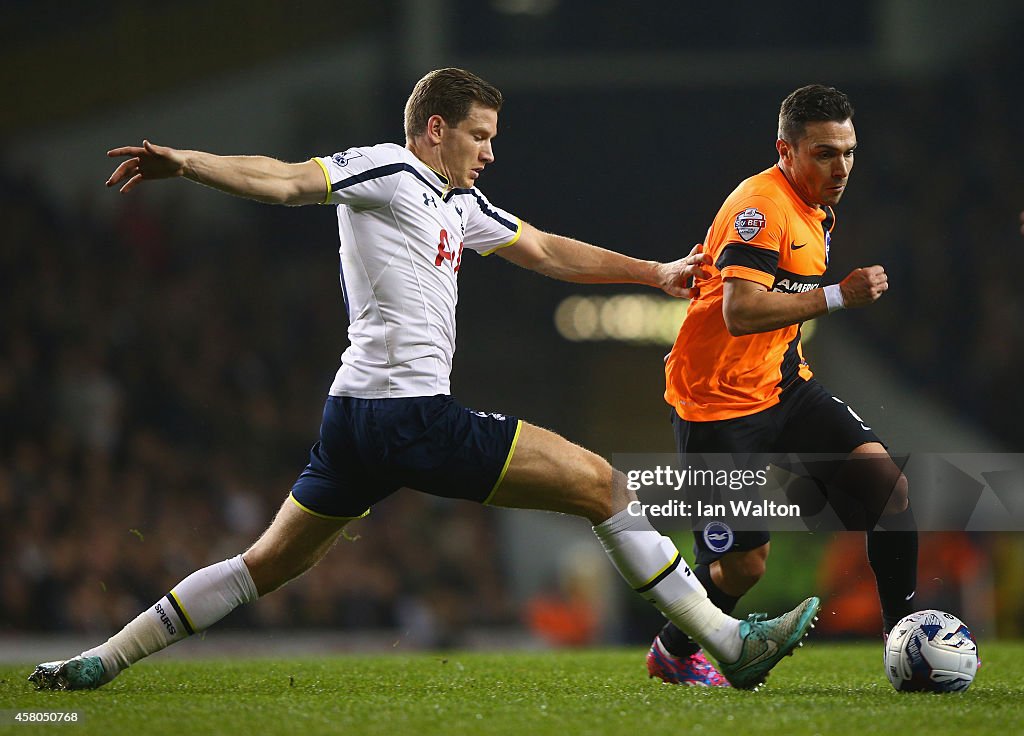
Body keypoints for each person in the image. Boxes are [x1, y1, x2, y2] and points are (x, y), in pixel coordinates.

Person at [29, 68, 818, 693]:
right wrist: (187, 163)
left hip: (354, 422)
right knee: (603, 487)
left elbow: (543, 250)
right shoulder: (388, 168)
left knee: (264, 566)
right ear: (435, 128)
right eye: (479, 135)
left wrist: (656, 272)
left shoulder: (456, 202)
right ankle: (725, 640)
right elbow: (282, 179)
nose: (489, 151)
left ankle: (102, 659)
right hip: (407, 416)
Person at [647, 84, 917, 687]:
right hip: (715, 401)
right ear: (786, 150)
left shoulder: (816, 204)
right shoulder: (761, 206)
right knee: (744, 567)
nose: (840, 167)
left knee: (887, 490)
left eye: (848, 151)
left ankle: (904, 640)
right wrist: (838, 296)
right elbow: (739, 313)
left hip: (781, 383)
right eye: (824, 153)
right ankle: (672, 650)